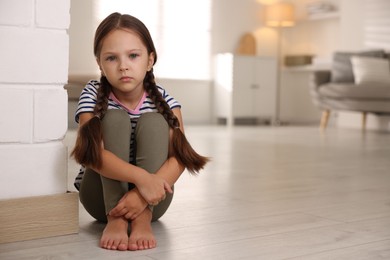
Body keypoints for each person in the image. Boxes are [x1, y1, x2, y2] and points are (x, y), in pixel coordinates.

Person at [71, 12, 209, 251]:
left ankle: (142, 218)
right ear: (100, 64)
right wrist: (141, 179)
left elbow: (179, 159)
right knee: (114, 119)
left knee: (156, 121)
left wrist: (143, 195)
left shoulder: (166, 101)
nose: (123, 66)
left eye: (133, 55)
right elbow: (91, 154)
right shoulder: (92, 94)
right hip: (100, 198)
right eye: (112, 58)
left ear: (149, 60)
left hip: (153, 200)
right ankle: (116, 219)